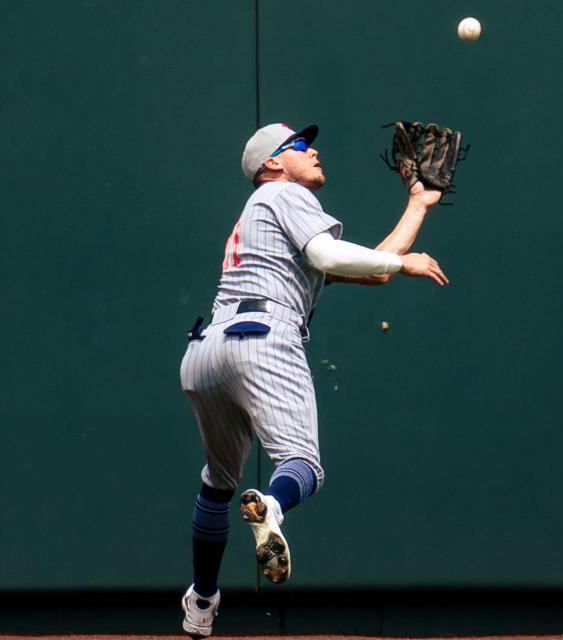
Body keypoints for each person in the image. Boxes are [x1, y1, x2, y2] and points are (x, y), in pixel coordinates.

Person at [179, 122, 447, 637]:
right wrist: (405, 262)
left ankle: (202, 602)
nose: (314, 149)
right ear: (273, 163)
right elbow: (331, 256)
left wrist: (418, 204)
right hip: (262, 339)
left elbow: (370, 270)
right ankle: (272, 506)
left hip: (206, 351)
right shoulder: (282, 192)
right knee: (302, 464)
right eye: (301, 145)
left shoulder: (261, 217)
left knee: (217, 483)